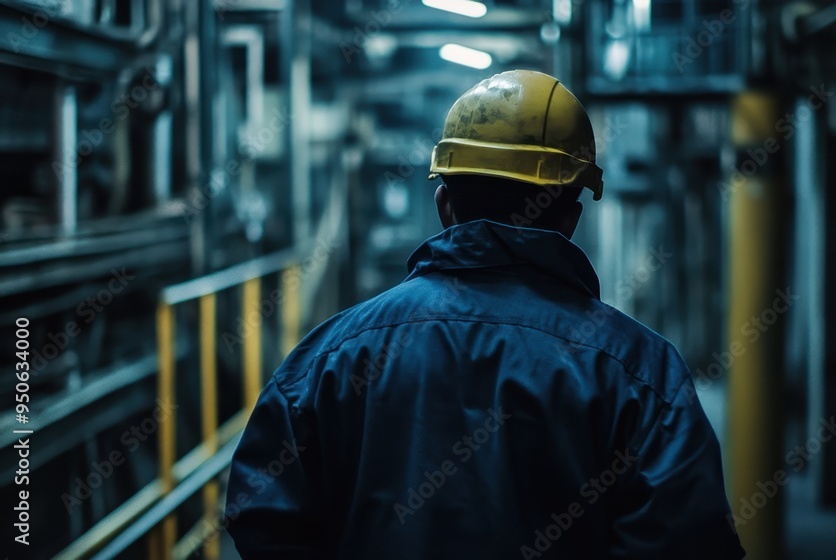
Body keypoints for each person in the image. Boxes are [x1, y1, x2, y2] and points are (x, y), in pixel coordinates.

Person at [225, 69, 745, 559]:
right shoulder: (641, 373)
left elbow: (262, 515)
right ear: (572, 216)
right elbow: (689, 541)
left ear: (443, 203)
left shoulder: (328, 358)